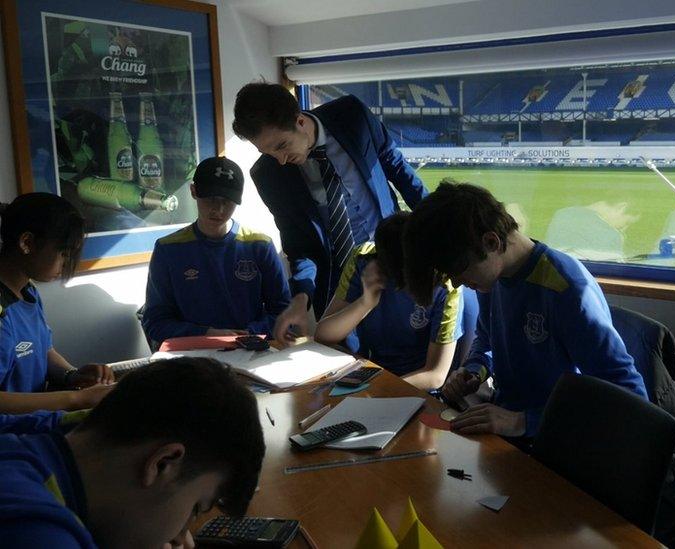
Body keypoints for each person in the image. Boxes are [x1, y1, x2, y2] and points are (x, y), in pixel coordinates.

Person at [402, 180, 648, 438]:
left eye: (459, 271)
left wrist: (522, 422)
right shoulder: (491, 279)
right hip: (505, 428)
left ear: (491, 242)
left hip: (556, 438)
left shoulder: (567, 290)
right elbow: (487, 341)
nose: (456, 283)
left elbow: (631, 400)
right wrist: (474, 370)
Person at [0, 356, 266, 548]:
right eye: (195, 508)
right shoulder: (34, 531)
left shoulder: (35, 446)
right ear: (163, 463)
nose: (180, 537)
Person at [232, 83, 427, 342]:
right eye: (267, 152)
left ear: (299, 121)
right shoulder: (267, 174)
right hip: (340, 288)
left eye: (281, 146)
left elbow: (397, 168)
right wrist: (301, 298)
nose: (279, 160)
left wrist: (434, 221)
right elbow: (299, 246)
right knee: (350, 369)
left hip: (396, 260)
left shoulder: (351, 115)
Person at [315, 213, 477, 391]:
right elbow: (323, 335)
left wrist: (375, 389)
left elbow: (435, 375)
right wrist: (365, 302)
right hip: (370, 373)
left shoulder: (444, 283)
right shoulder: (364, 260)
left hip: (414, 388)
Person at [142, 156, 290, 347]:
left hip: (251, 350)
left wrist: (250, 334)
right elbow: (155, 322)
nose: (218, 209)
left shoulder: (259, 245)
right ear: (194, 191)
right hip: (195, 354)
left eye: (227, 201)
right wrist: (206, 334)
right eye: (211, 199)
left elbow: (284, 313)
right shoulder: (168, 249)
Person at [0, 193, 113, 414]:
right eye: (63, 253)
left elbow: (44, 350)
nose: (66, 263)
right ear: (27, 243)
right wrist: (75, 399)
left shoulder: (28, 293)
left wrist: (72, 375)